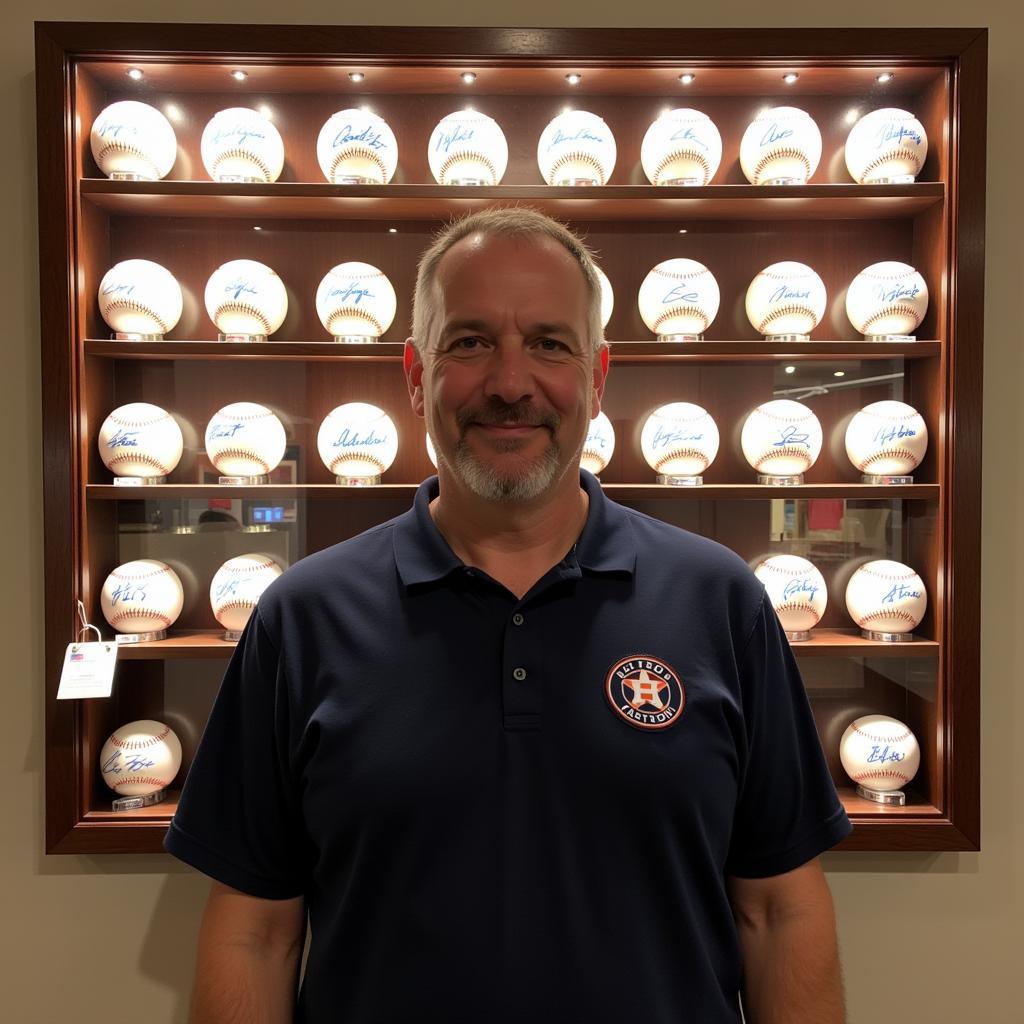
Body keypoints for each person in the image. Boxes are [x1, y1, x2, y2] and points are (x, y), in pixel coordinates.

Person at [166, 206, 851, 1024]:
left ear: (597, 378)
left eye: (550, 345)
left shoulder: (720, 600)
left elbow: (777, 910)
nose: (511, 383)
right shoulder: (302, 618)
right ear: (416, 375)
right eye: (470, 341)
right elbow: (256, 935)